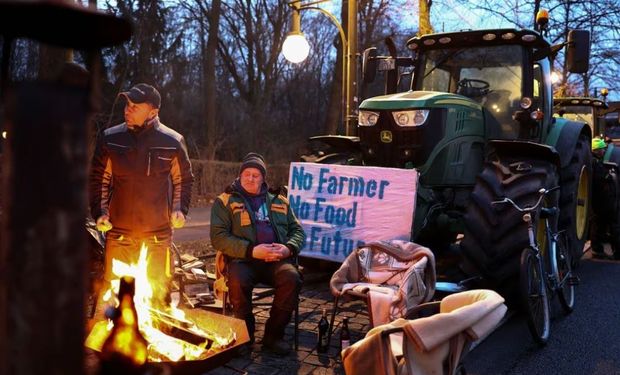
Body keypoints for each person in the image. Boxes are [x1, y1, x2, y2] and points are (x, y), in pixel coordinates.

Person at [89, 83, 194, 315]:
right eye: (127, 104)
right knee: (116, 298)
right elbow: (99, 178)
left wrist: (179, 210)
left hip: (157, 236)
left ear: (153, 112)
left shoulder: (172, 141)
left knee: (158, 298)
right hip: (119, 234)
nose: (128, 109)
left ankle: (160, 345)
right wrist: (100, 212)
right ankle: (116, 345)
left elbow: (183, 180)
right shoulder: (111, 138)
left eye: (135, 106)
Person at [210, 153, 305, 355]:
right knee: (237, 281)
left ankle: (273, 335)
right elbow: (218, 238)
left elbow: (298, 232)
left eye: (255, 174)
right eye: (247, 173)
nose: (250, 178)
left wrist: (287, 248)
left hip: (275, 260)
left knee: (291, 278)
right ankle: (245, 336)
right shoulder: (226, 201)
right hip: (243, 259)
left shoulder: (279, 200)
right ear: (240, 175)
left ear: (263, 178)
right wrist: (252, 250)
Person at [590, 137, 620, 260]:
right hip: (606, 202)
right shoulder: (597, 166)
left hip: (598, 203)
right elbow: (602, 180)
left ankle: (597, 250)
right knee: (615, 225)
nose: (604, 151)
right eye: (602, 149)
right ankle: (617, 252)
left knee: (598, 225)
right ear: (597, 151)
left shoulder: (593, 163)